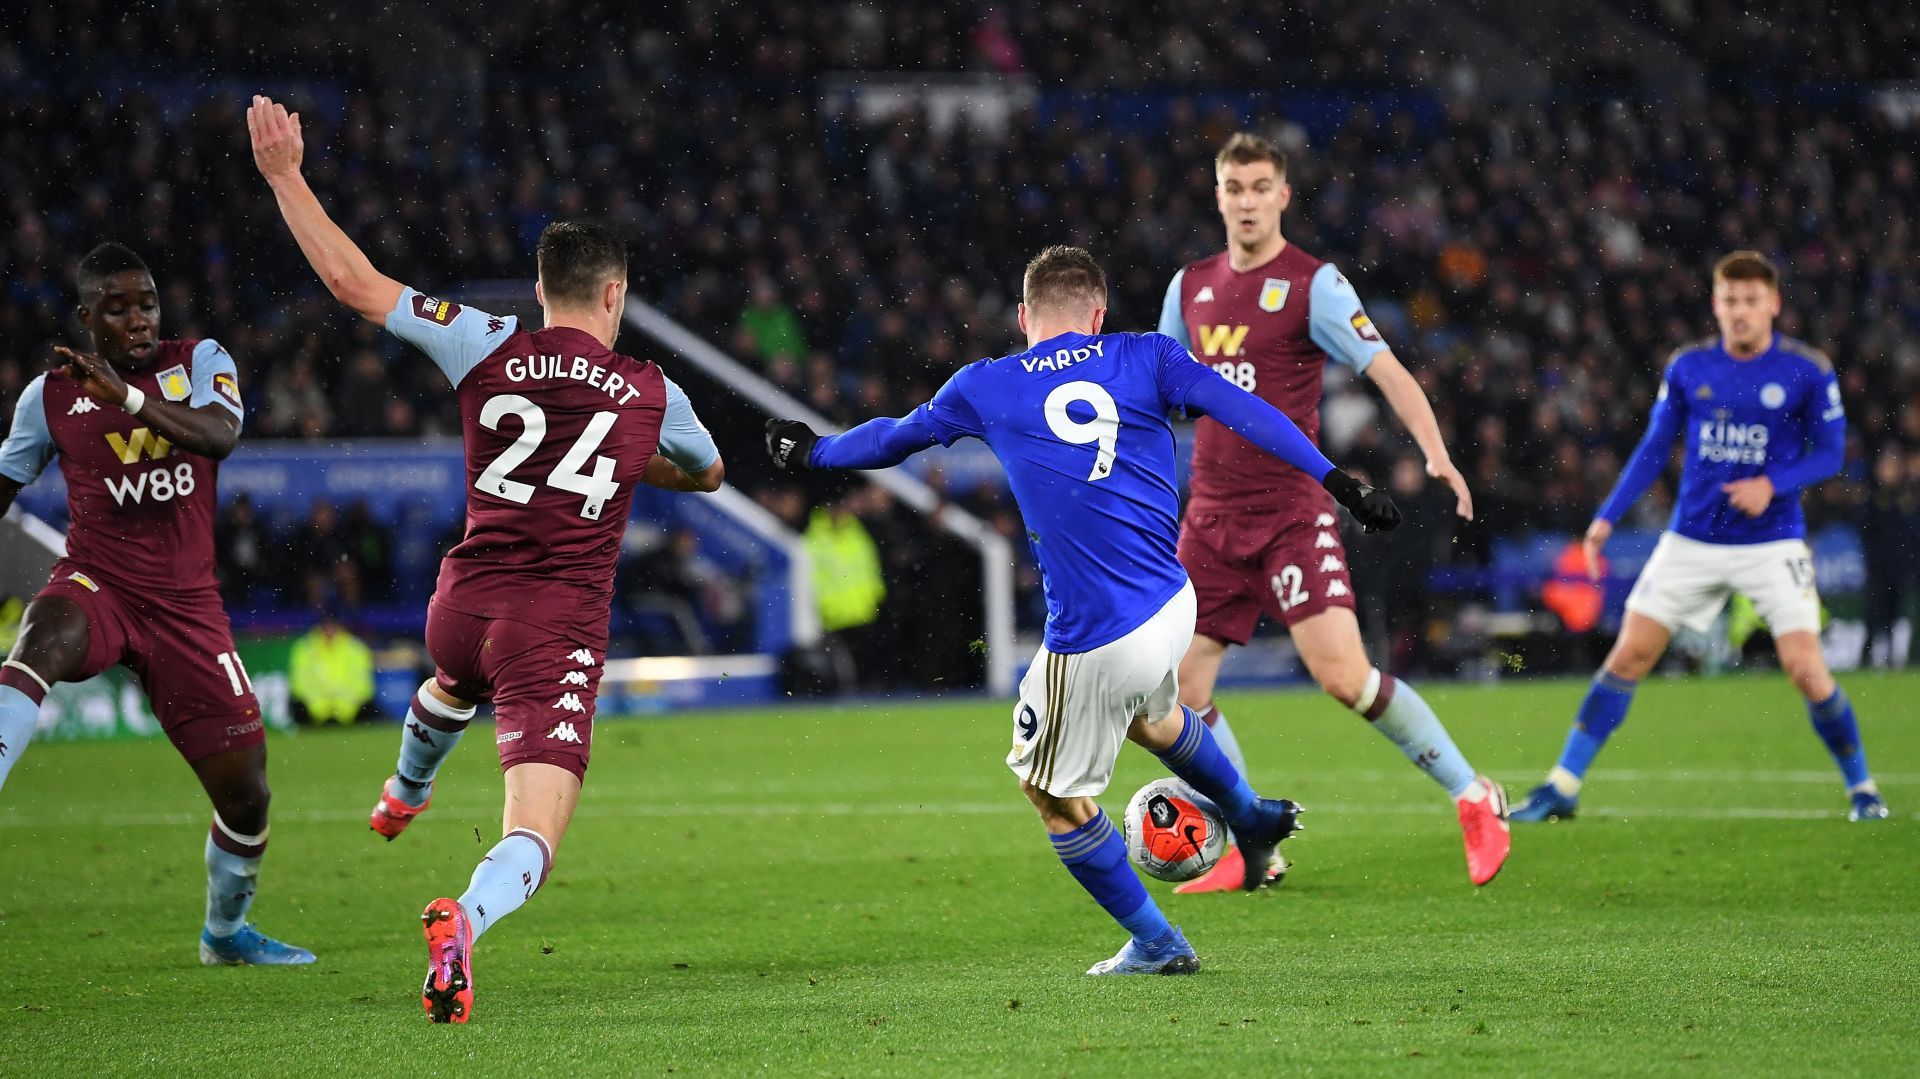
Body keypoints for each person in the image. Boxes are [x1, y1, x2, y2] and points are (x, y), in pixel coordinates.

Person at [765, 246, 1401, 974]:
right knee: (1152, 718)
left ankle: (1160, 944)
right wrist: (1338, 481)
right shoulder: (1147, 356)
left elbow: (892, 438)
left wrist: (812, 453)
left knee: (1051, 792)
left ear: (1022, 317)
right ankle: (1251, 816)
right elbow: (1247, 411)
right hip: (1171, 603)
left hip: (1098, 633)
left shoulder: (987, 384)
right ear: (1097, 317)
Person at [249, 96, 725, 1022]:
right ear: (616, 295)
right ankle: (463, 920)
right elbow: (708, 475)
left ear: (538, 288)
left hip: (461, 605)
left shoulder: (481, 337)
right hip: (551, 628)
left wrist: (284, 175)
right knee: (534, 835)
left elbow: (355, 282)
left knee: (452, 683)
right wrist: (638, 464)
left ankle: (401, 790)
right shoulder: (650, 389)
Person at [1158, 133, 1508, 890]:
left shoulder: (1314, 285)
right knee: (1180, 692)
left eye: (1259, 187)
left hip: (1290, 513)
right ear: (1216, 195)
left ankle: (1475, 796)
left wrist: (1437, 452)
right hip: (1211, 519)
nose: (1246, 200)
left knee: (1345, 677)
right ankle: (1254, 848)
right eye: (1233, 187)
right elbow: (1154, 392)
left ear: (1283, 195)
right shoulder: (1189, 287)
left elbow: (1388, 370)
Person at [0, 242, 313, 965]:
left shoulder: (202, 360)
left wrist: (130, 397)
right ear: (87, 317)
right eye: (118, 308)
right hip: (99, 584)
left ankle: (225, 933)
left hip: (186, 608)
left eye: (146, 303)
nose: (138, 319)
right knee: (40, 635)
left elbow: (222, 436)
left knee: (248, 796)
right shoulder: (48, 397)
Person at [1511, 251, 1889, 823]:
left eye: (1751, 301)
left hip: (1773, 542)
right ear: (1715, 304)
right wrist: (1608, 515)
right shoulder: (1688, 367)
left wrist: (1773, 483)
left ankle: (1863, 789)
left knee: (1807, 669)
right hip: (1692, 540)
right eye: (1730, 301)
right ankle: (1562, 785)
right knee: (1630, 654)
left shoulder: (1807, 370)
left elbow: (1833, 454)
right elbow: (1655, 446)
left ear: (1773, 304)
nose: (1739, 312)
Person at [287, 608, 376, 725]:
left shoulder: (355, 647)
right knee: (296, 704)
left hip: (349, 706)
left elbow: (363, 683)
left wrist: (342, 701)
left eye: (333, 626)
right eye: (326, 626)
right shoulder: (305, 648)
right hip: (314, 706)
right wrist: (323, 702)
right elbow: (299, 683)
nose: (329, 630)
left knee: (368, 706)